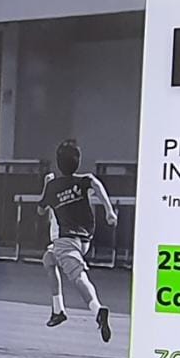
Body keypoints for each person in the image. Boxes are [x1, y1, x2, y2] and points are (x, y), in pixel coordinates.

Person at [38, 138, 117, 343]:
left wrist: (46, 186)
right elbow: (96, 184)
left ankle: (97, 310)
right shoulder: (83, 180)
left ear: (58, 162)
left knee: (78, 276)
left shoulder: (53, 185)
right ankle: (58, 310)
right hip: (84, 238)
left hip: (66, 240)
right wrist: (109, 211)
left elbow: (40, 210)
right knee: (49, 260)